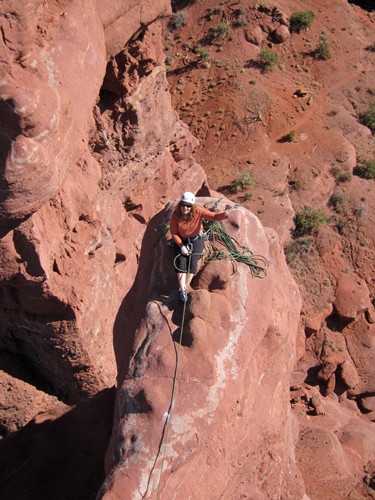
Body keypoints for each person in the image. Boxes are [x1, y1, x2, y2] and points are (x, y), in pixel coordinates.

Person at [169, 192, 230, 302]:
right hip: (181, 240)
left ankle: (184, 288)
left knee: (193, 262)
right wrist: (182, 246)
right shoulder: (175, 215)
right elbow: (173, 233)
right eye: (183, 205)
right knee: (181, 262)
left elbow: (214, 217)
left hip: (196, 239)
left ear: (192, 206)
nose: (185, 208)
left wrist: (225, 214)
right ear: (180, 205)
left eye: (188, 205)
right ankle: (182, 288)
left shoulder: (198, 211)